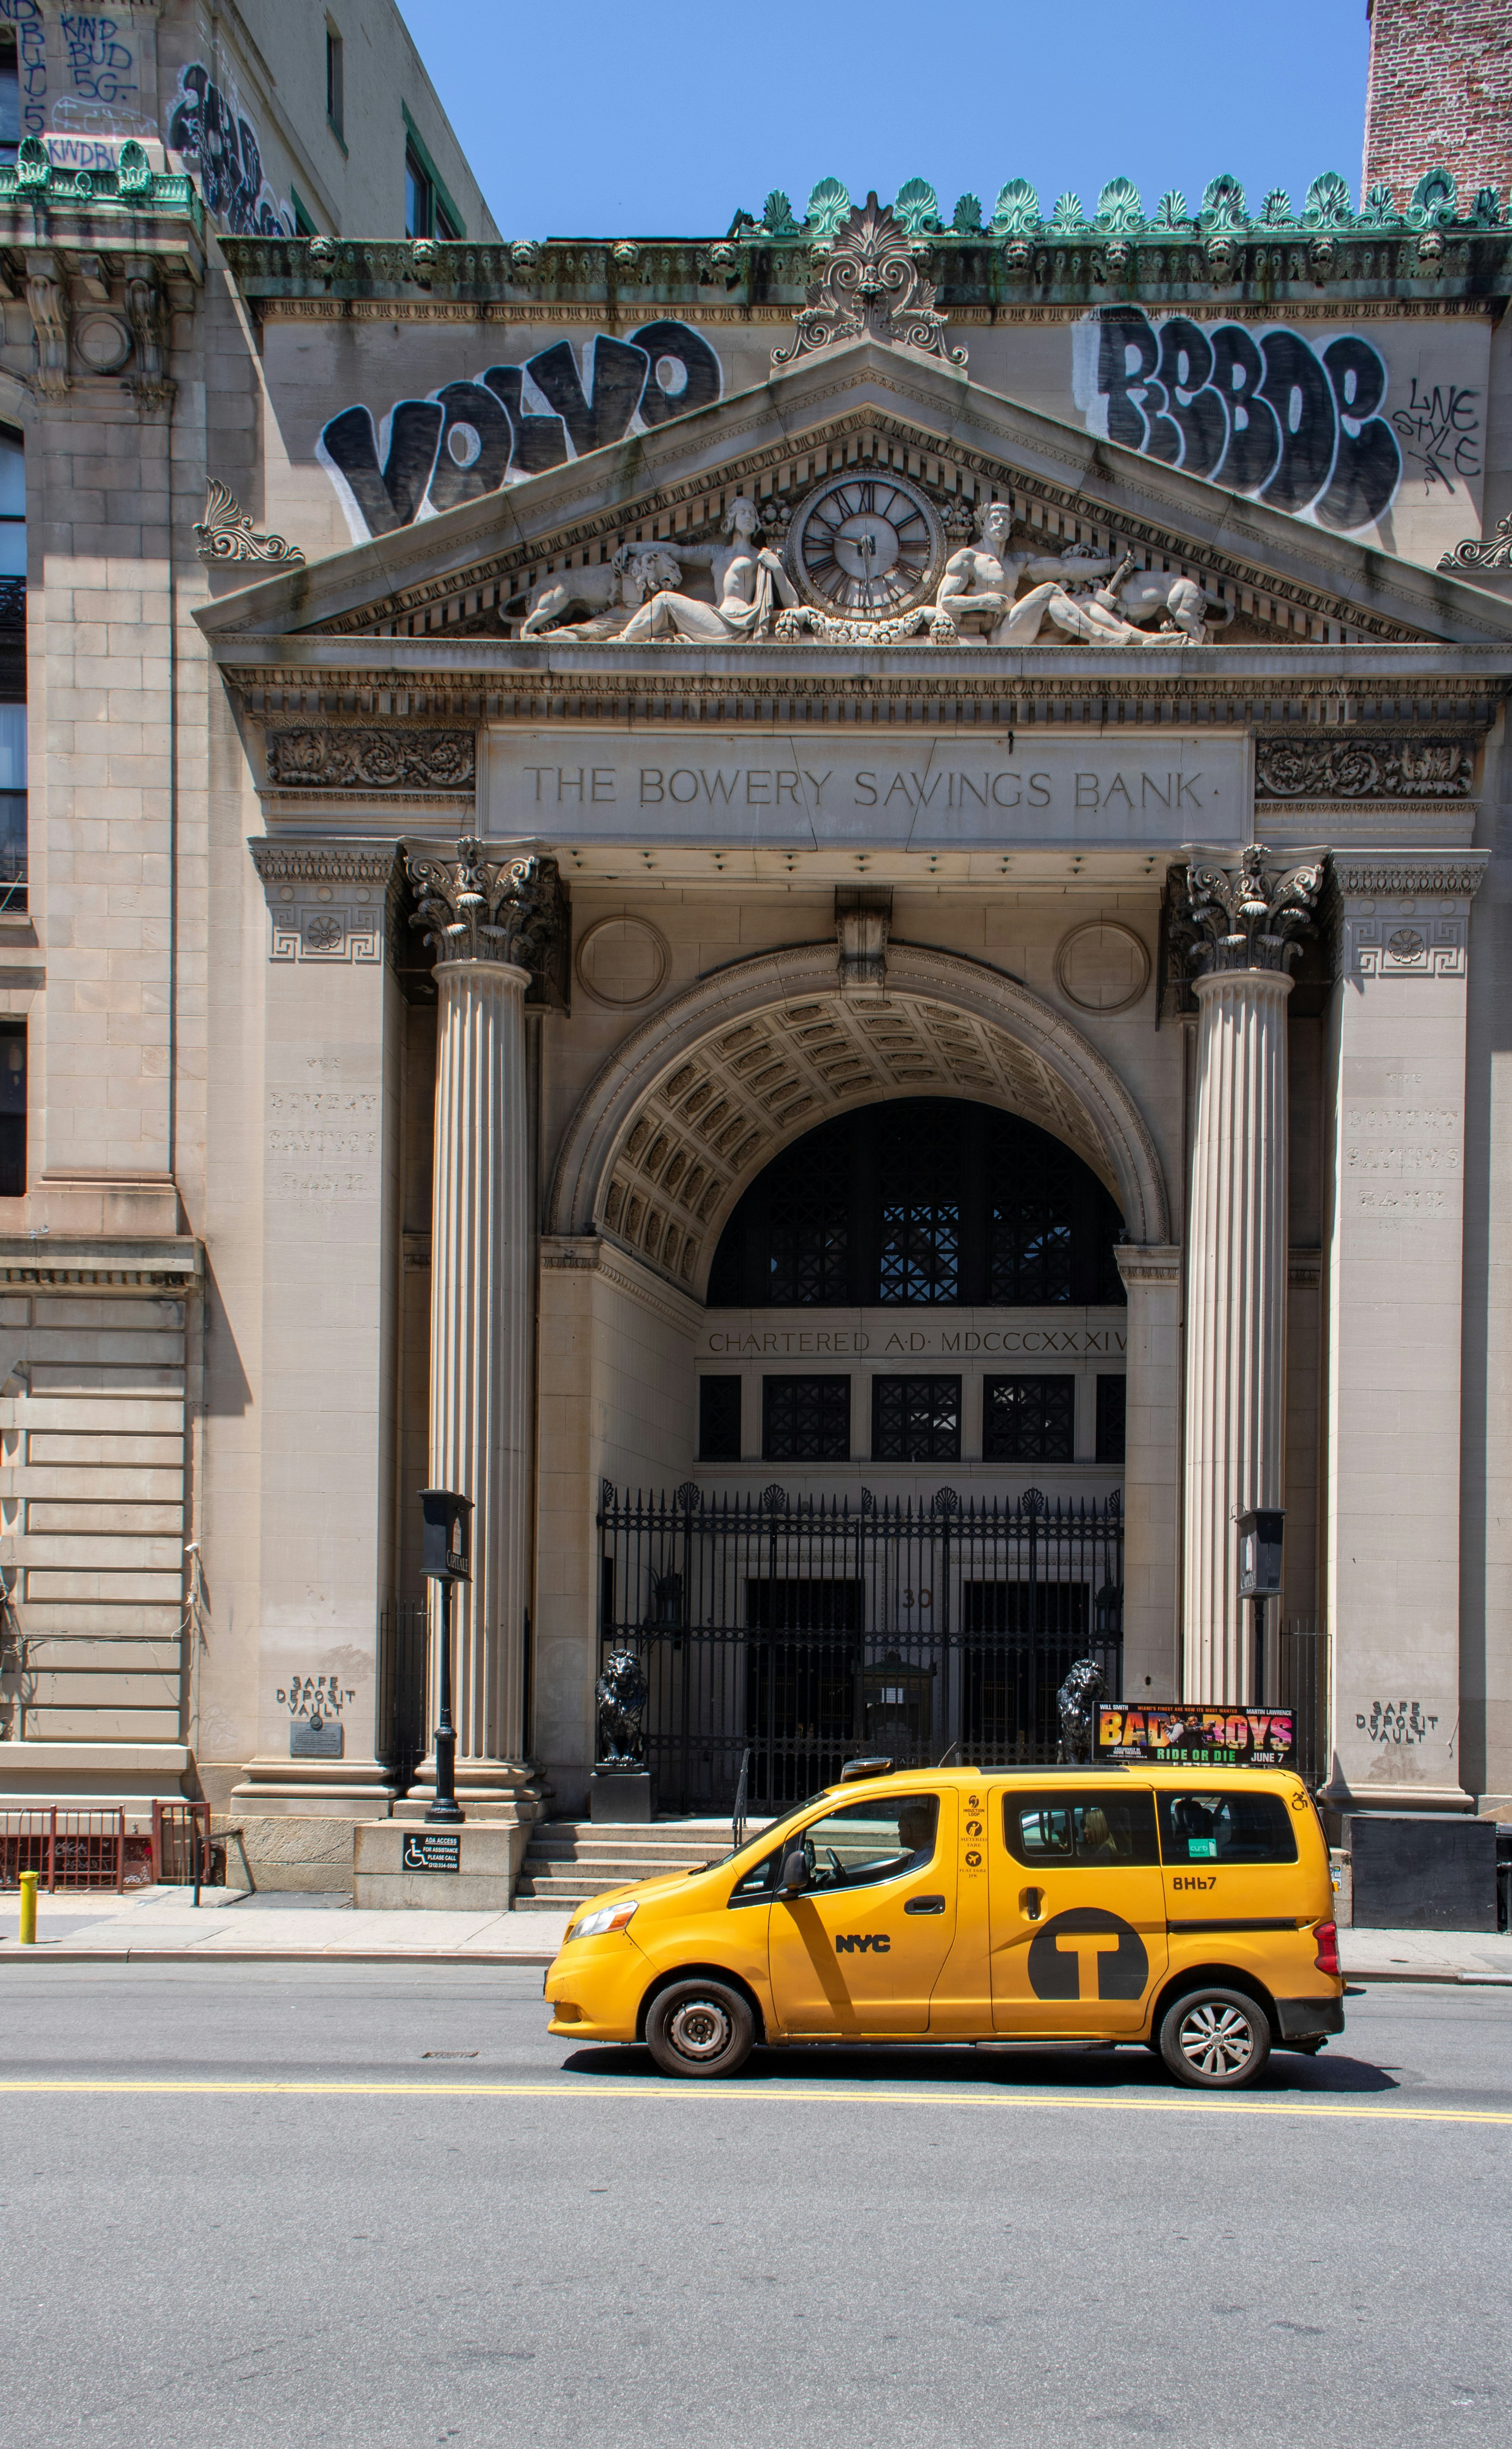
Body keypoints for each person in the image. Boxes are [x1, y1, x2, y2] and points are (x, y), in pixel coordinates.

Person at [616, 495, 798, 642]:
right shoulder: (717, 553)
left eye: (752, 513)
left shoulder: (761, 557)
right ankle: (623, 641)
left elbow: (793, 605)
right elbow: (678, 552)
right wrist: (632, 548)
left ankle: (623, 641)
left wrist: (777, 568)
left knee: (664, 599)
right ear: (732, 518)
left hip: (739, 623)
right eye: (743, 512)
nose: (749, 517)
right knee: (663, 600)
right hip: (716, 619)